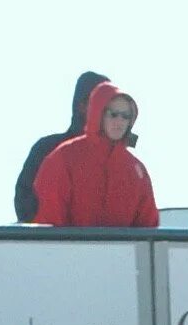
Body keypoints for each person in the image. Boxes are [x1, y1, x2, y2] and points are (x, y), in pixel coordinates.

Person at [32, 81, 158, 228]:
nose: (120, 121)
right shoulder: (64, 158)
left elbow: (148, 230)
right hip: (70, 250)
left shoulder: (137, 171)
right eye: (113, 114)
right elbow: (50, 223)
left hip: (121, 252)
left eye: (126, 116)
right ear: (99, 114)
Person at [14, 71, 121, 223]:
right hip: (54, 244)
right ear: (83, 106)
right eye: (106, 106)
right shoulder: (47, 150)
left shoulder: (120, 161)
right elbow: (25, 205)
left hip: (106, 245)